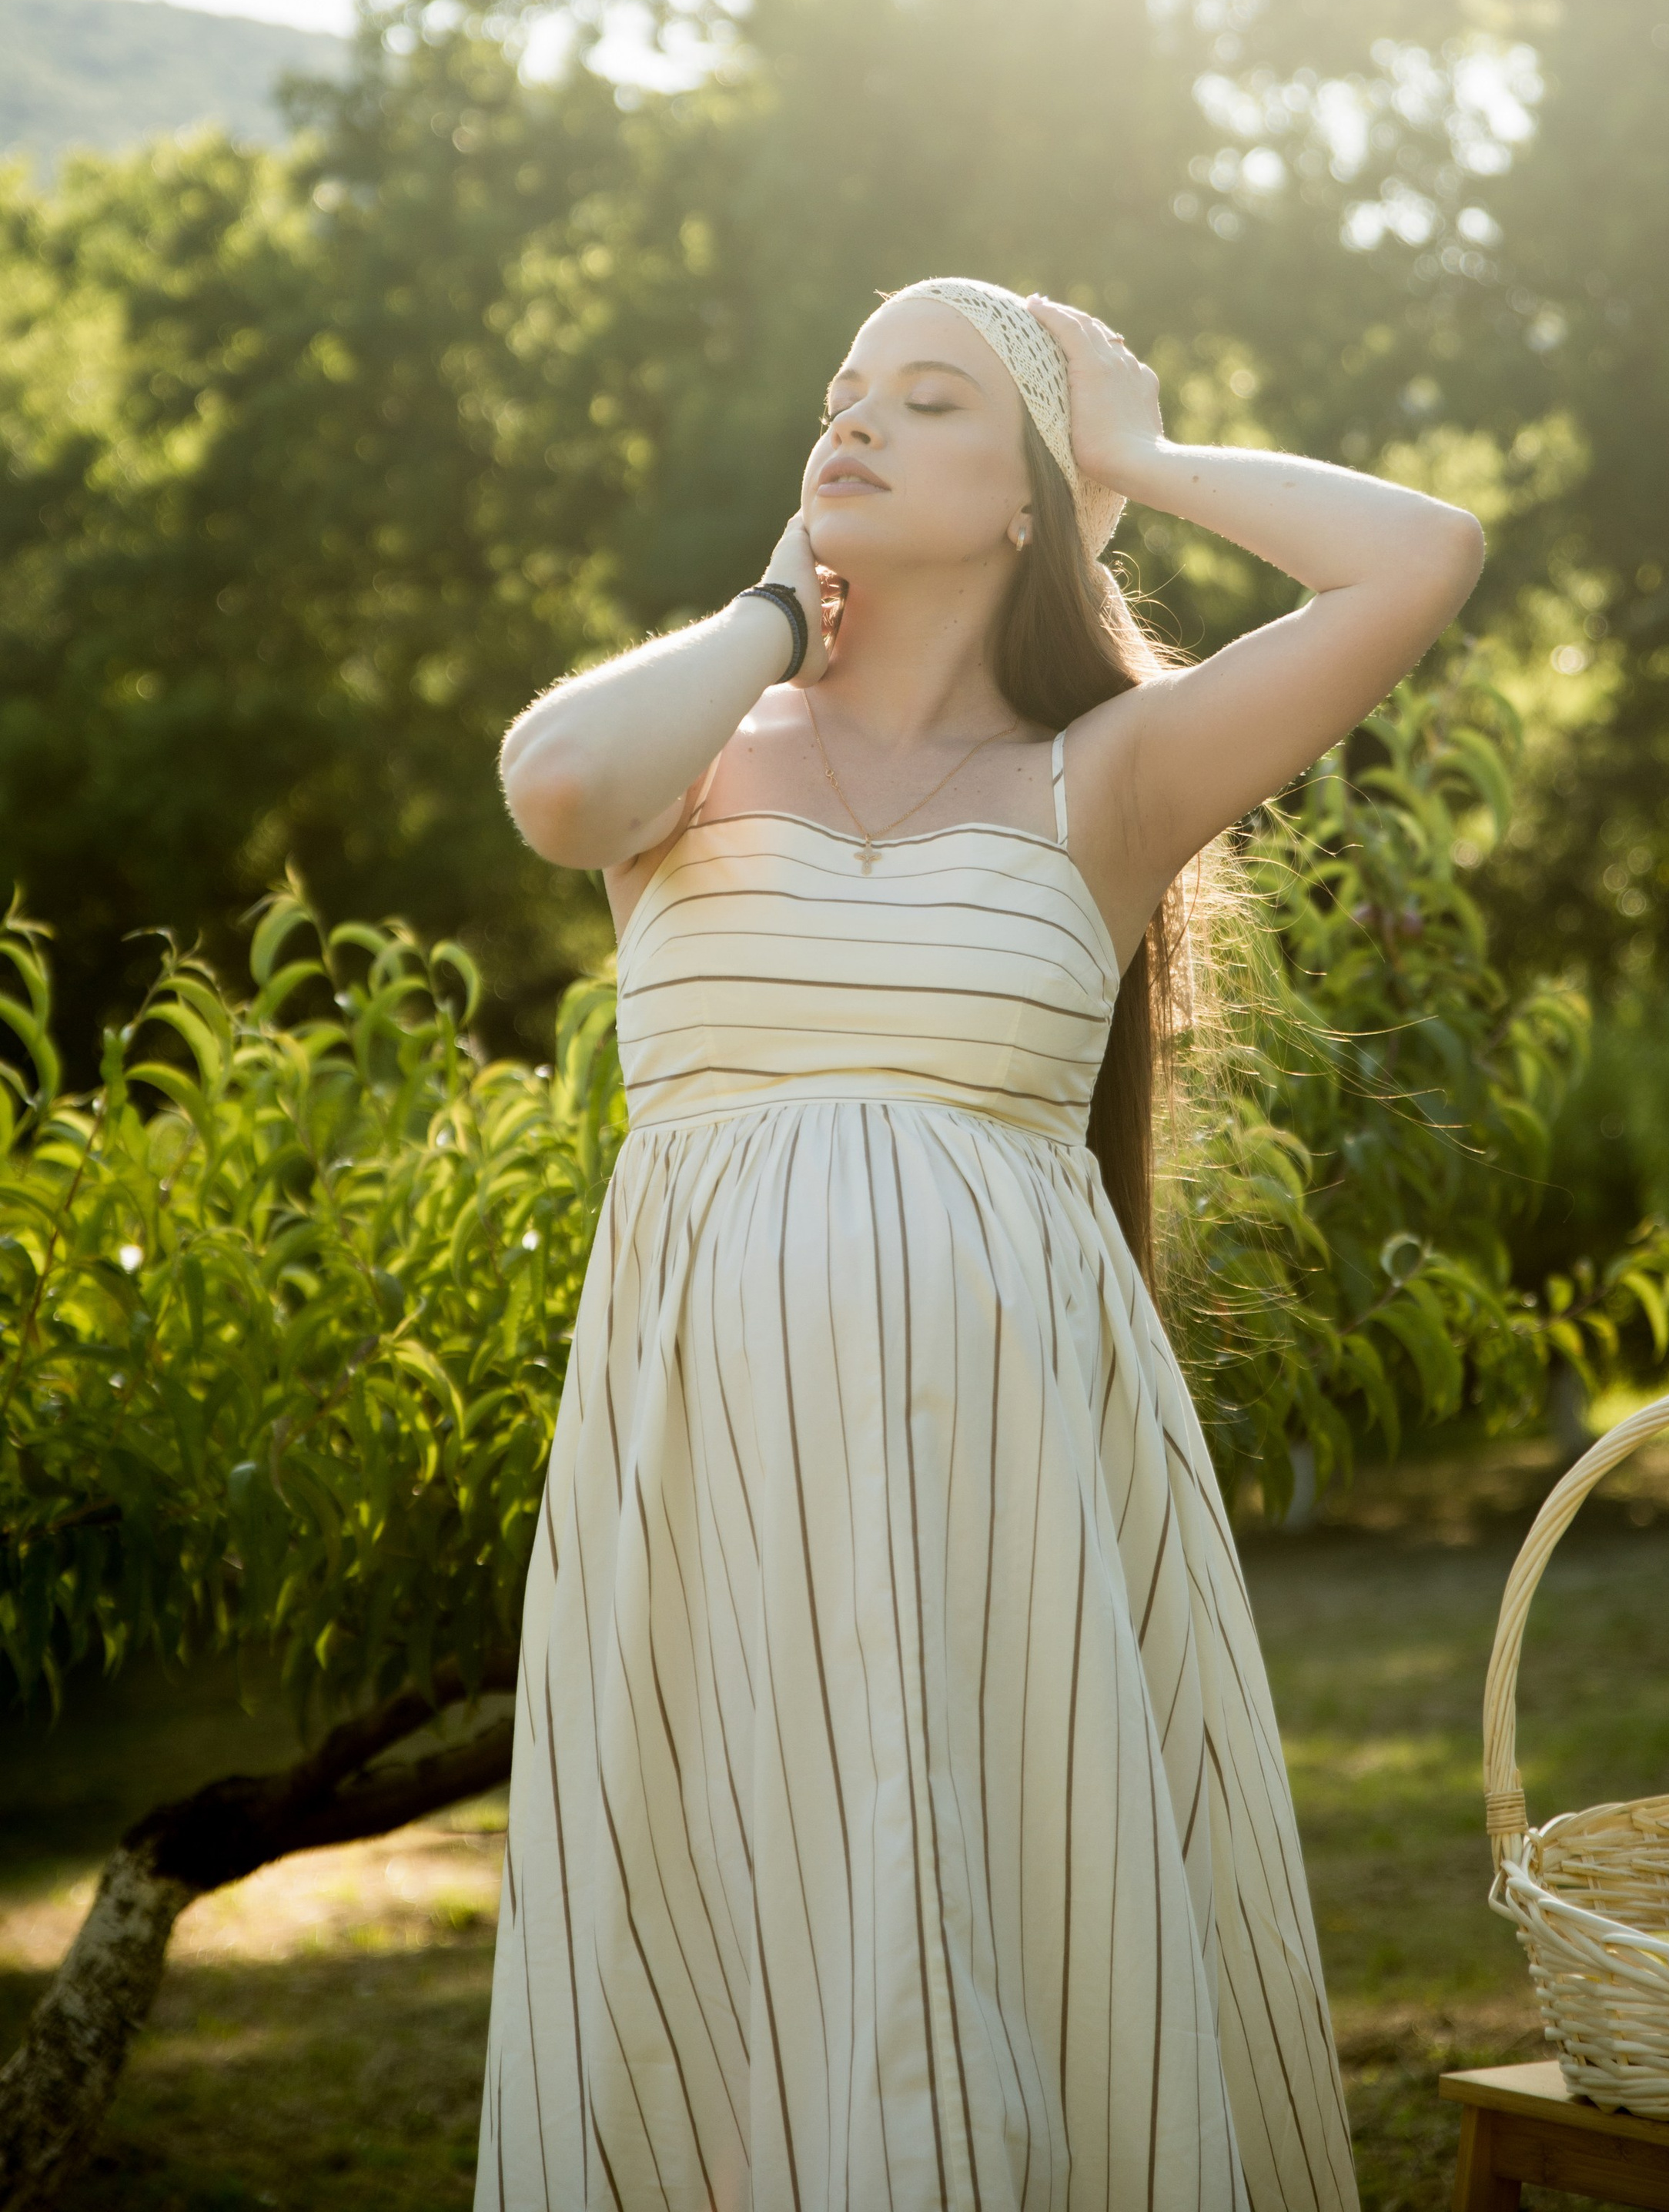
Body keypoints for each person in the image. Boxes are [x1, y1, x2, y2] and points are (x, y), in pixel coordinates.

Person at [476, 278, 1484, 2212]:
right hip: (714, 1492)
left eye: (923, 400)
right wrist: (780, 606)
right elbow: (557, 787)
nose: (847, 421)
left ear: (1024, 492)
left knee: (1015, 1937)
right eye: (837, 394)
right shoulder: (702, 740)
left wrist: (1137, 455)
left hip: (1007, 1492)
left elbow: (1415, 560)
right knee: (732, 1963)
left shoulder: (1099, 778)